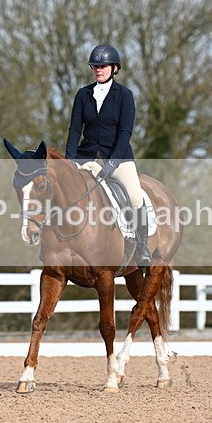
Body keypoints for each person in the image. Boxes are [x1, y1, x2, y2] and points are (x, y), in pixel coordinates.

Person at [64, 44, 153, 267]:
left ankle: (141, 245)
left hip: (119, 157)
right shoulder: (83, 94)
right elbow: (75, 129)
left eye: (102, 66)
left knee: (135, 196)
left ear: (114, 68)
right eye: (94, 66)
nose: (97, 70)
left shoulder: (124, 95)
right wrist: (69, 159)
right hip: (87, 157)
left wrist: (113, 162)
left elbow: (125, 131)